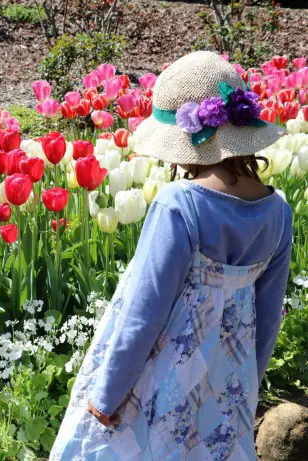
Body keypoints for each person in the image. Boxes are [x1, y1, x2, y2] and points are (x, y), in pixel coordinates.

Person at [50, 51, 292, 460]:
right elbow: (268, 318)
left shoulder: (180, 205)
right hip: (228, 380)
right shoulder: (278, 211)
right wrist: (248, 383)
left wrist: (107, 396)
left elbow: (144, 313)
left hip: (162, 380)